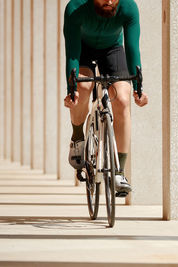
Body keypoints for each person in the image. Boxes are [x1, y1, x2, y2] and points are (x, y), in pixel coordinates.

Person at [63, 0, 148, 195]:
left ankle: (119, 172)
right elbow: (72, 53)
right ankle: (78, 137)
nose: (109, 1)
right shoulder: (75, 8)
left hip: (112, 50)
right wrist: (71, 89)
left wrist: (138, 88)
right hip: (82, 50)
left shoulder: (128, 7)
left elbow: (133, 48)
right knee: (83, 87)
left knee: (123, 100)